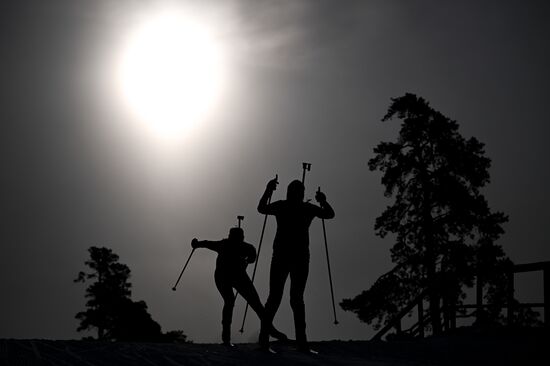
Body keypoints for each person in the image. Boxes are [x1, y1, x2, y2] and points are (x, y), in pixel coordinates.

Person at [258, 178, 335, 352]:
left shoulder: (283, 206)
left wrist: (268, 190)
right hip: (298, 257)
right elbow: (329, 214)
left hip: (282, 255)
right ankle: (301, 343)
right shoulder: (307, 208)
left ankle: (265, 341)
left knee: (276, 297)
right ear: (301, 193)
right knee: (295, 299)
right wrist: (322, 200)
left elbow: (261, 208)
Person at [191, 227, 287, 346]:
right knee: (230, 301)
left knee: (255, 303)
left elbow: (252, 257)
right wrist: (197, 244)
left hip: (239, 276)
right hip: (223, 277)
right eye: (235, 237)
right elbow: (206, 243)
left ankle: (271, 330)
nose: (237, 240)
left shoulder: (243, 246)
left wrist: (248, 259)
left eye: (239, 238)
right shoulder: (224, 244)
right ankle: (226, 337)